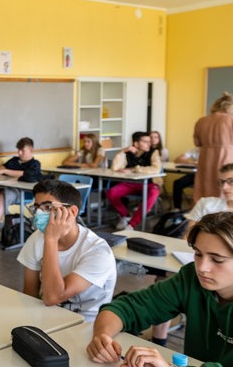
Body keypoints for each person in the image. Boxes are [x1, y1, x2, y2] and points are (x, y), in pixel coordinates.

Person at [86, 211, 233, 366]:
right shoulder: (191, 279)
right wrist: (102, 337)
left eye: (217, 260)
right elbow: (125, 308)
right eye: (198, 254)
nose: (202, 268)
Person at [17, 179, 116, 322]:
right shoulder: (36, 239)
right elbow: (30, 295)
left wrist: (51, 239)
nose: (39, 213)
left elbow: (53, 297)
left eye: (48, 207)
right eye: (37, 207)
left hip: (87, 324)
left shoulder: (98, 252)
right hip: (47, 316)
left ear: (73, 211)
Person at [0, 137, 43, 250]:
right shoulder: (14, 160)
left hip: (23, 193)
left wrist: (5, 171)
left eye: (22, 151)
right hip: (8, 190)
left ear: (31, 150)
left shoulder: (35, 164)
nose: (19, 153)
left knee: (0, 196)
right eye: (18, 150)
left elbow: (24, 174)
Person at [107, 131, 162, 230]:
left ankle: (132, 224)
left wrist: (135, 169)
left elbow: (156, 169)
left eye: (149, 141)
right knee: (112, 192)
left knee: (154, 193)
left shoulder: (154, 152)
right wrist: (123, 151)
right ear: (136, 144)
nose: (149, 144)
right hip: (131, 183)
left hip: (149, 183)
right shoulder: (128, 153)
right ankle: (126, 216)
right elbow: (114, 168)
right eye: (145, 142)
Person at [194, 92, 233, 202]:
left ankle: (203, 217)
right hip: (227, 158)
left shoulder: (201, 121)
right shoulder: (231, 120)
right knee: (224, 189)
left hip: (205, 159)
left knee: (203, 190)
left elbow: (197, 143)